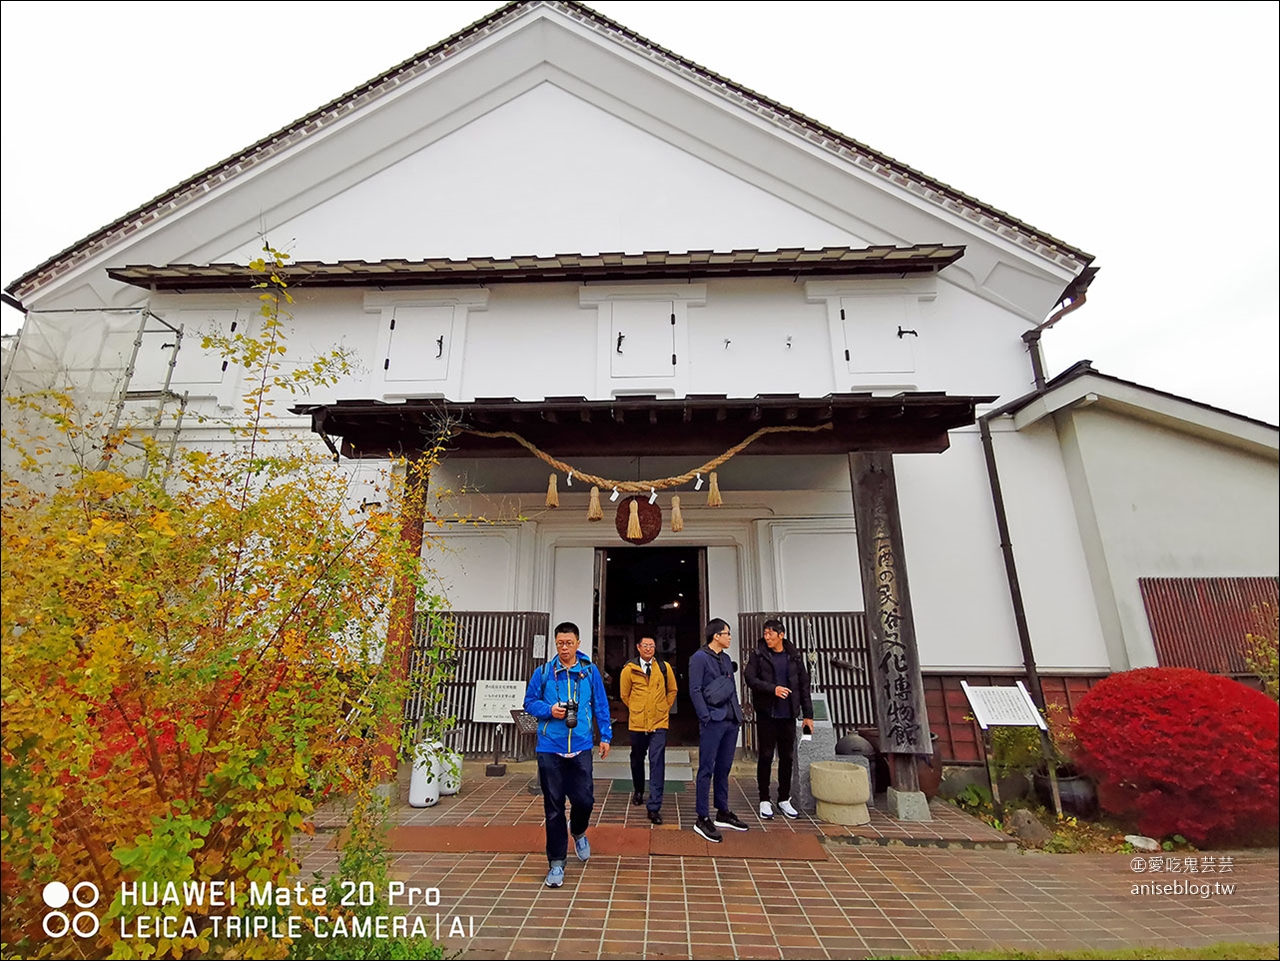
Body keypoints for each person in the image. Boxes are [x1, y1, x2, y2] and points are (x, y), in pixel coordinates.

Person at [523, 621, 612, 888]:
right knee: (553, 808)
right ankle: (557, 863)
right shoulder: (544, 672)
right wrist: (550, 710)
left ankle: (580, 830)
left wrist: (605, 735)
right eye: (560, 643)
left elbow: (600, 703)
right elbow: (529, 702)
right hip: (551, 746)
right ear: (555, 643)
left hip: (582, 745)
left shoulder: (588, 671)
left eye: (569, 643)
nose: (564, 648)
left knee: (585, 800)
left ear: (578, 643)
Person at [745, 618, 814, 820]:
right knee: (766, 756)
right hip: (767, 713)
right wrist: (772, 689)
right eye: (765, 633)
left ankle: (784, 798)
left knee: (787, 757)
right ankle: (764, 799)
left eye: (770, 633)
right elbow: (750, 679)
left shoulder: (794, 656)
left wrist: (808, 715)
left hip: (788, 714)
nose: (767, 637)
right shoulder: (758, 655)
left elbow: (804, 686)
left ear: (781, 635)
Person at [688, 617, 748, 842]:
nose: (730, 637)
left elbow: (731, 689)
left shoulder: (726, 658)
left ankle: (722, 810)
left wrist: (737, 715)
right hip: (713, 721)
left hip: (731, 720)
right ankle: (702, 816)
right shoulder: (699, 658)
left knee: (724, 768)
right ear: (716, 636)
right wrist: (705, 717)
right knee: (706, 768)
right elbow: (694, 690)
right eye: (727, 633)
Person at [619, 635, 678, 824]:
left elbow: (672, 690)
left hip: (659, 722)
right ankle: (638, 789)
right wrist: (638, 709)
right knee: (637, 758)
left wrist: (663, 708)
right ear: (638, 647)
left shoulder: (664, 667)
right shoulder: (629, 669)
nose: (648, 649)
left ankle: (654, 807)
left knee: (657, 761)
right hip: (637, 722)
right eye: (645, 645)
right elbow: (624, 694)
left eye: (652, 646)